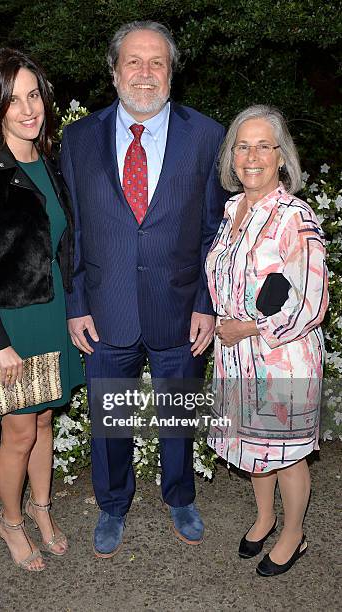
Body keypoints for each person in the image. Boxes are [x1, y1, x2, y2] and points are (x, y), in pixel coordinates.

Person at [61, 21, 227, 558]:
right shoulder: (79, 138)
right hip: (105, 310)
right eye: (133, 61)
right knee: (111, 417)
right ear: (113, 72)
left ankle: (180, 496)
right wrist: (78, 302)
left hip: (180, 307)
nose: (145, 73)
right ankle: (112, 505)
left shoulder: (206, 135)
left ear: (172, 72)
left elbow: (213, 231)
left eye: (157, 62)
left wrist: (206, 303)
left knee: (177, 411)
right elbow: (74, 230)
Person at [0, 48, 84, 571]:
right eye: (13, 99)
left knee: (45, 420)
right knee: (19, 430)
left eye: (33, 95)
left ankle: (42, 510)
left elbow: (63, 244)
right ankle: (11, 522)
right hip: (7, 322)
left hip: (52, 312)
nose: (28, 109)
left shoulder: (49, 162)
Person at [205, 104, 328, 576]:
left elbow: (310, 301)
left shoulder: (296, 217)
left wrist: (250, 327)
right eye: (242, 146)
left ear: (281, 157)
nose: (251, 156)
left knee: (288, 453)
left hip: (282, 357)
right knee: (254, 449)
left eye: (263, 146)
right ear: (232, 156)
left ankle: (294, 534)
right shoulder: (232, 209)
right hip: (236, 357)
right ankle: (264, 517)